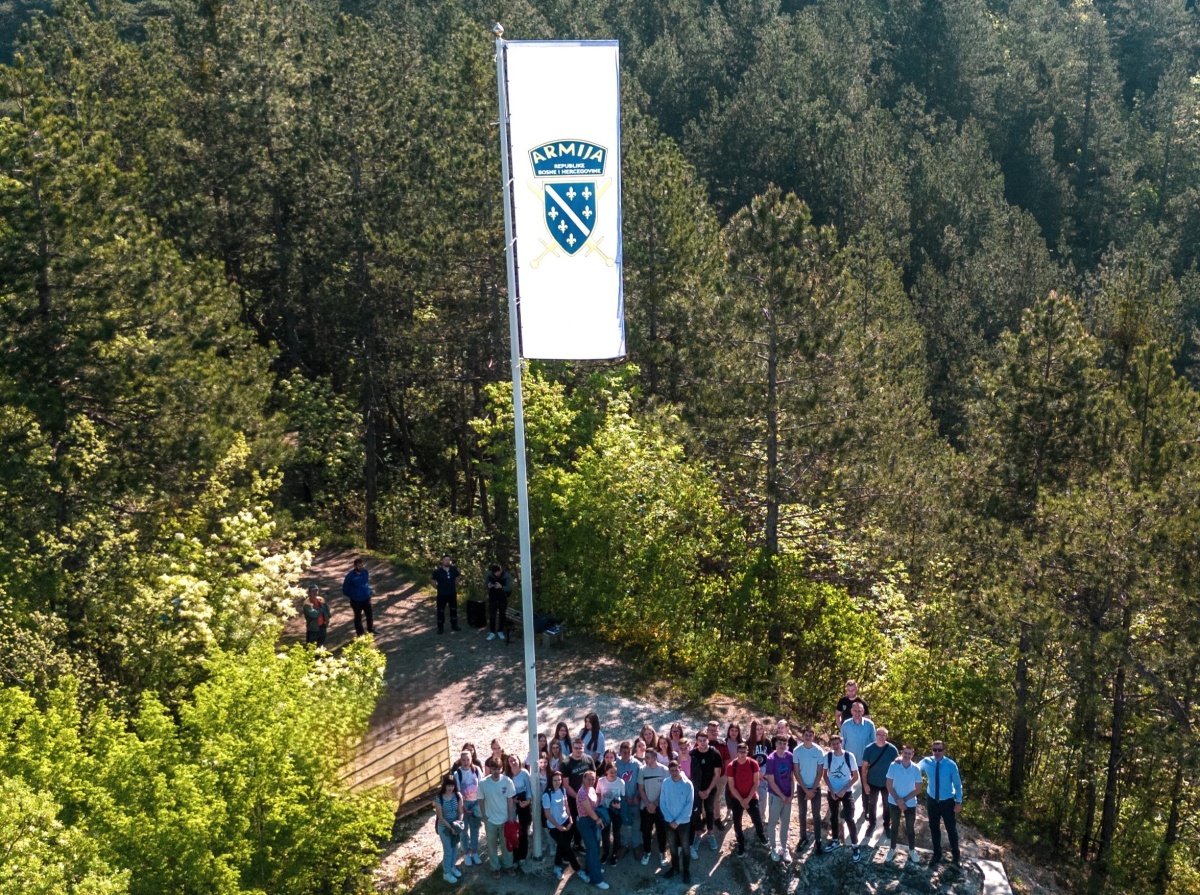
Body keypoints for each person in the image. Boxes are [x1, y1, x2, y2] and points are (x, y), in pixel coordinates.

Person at [919, 741, 963, 864]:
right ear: (932, 750)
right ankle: (937, 853)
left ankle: (956, 855)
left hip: (947, 801)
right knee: (933, 827)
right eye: (934, 750)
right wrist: (900, 761)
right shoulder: (926, 762)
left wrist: (958, 801)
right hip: (932, 799)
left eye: (939, 750)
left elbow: (957, 784)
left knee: (951, 828)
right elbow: (913, 768)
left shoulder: (950, 765)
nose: (937, 752)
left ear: (944, 751)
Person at [822, 734, 861, 862]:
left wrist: (844, 789)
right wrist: (832, 790)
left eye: (837, 743)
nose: (835, 746)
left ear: (841, 743)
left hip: (846, 791)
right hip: (832, 791)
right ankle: (835, 840)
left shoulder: (849, 756)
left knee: (849, 817)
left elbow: (855, 776)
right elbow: (825, 775)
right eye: (833, 744)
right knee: (834, 816)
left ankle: (855, 845)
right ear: (830, 745)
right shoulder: (828, 757)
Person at [726, 741, 766, 856]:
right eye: (740, 752)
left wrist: (747, 799)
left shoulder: (753, 764)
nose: (742, 754)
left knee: (757, 820)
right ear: (737, 752)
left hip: (751, 797)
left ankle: (761, 835)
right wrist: (741, 800)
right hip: (736, 798)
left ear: (747, 752)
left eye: (744, 752)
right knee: (737, 822)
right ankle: (741, 843)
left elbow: (756, 783)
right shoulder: (731, 766)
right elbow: (731, 786)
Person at [885, 744, 924, 864]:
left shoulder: (916, 769)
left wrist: (904, 800)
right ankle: (892, 849)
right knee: (894, 826)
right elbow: (889, 784)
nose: (907, 755)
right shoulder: (894, 766)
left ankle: (912, 850)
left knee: (910, 828)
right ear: (902, 753)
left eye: (910, 753)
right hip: (893, 801)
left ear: (913, 754)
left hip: (910, 803)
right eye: (905, 753)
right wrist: (898, 799)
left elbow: (918, 789)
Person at [478, 758, 516, 877]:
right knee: (492, 845)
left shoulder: (507, 781)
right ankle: (495, 867)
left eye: (498, 769)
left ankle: (508, 865)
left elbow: (510, 800)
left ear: (502, 769)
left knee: (507, 845)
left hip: (505, 819)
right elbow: (481, 800)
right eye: (493, 769)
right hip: (490, 820)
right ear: (490, 769)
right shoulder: (483, 783)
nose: (496, 771)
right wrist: (484, 816)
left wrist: (511, 817)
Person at [688, 730, 724, 857]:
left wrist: (708, 790)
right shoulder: (692, 754)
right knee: (696, 812)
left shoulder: (714, 753)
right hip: (696, 789)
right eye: (700, 741)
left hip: (710, 788)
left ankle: (710, 834)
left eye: (704, 740)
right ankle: (698, 834)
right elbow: (689, 774)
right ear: (696, 742)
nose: (702, 743)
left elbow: (717, 774)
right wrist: (697, 791)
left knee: (709, 810)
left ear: (708, 740)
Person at [544, 771, 584, 881]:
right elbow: (547, 814)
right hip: (554, 827)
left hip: (566, 821)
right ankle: (579, 870)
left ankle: (557, 866)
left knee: (562, 846)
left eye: (559, 780)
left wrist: (570, 819)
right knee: (567, 848)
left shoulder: (563, 790)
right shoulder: (546, 795)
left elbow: (566, 806)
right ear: (551, 781)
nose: (558, 782)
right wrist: (557, 826)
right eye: (555, 780)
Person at [660, 759, 695, 884]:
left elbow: (689, 805)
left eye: (676, 770)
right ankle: (675, 868)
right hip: (669, 822)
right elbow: (662, 802)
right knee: (673, 847)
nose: (674, 772)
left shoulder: (687, 784)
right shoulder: (665, 783)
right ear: (669, 771)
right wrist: (669, 819)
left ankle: (686, 871)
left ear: (680, 768)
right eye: (672, 770)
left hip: (683, 822)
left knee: (685, 847)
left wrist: (678, 821)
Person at [575, 770, 611, 889]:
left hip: (592, 821)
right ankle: (597, 879)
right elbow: (589, 810)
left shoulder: (590, 789)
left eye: (593, 779)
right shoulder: (582, 793)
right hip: (586, 822)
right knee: (593, 848)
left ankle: (591, 869)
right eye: (589, 779)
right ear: (583, 779)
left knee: (594, 846)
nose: (591, 781)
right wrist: (598, 820)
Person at [861, 726, 898, 839]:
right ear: (875, 735)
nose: (881, 737)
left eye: (884, 735)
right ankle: (872, 825)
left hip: (887, 783)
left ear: (887, 736)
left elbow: (897, 767)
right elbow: (864, 768)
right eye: (879, 734)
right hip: (872, 782)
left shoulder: (892, 749)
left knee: (887, 805)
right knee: (872, 804)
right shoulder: (869, 749)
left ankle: (887, 825)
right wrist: (865, 784)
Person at [793, 725, 825, 854]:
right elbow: (796, 772)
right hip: (802, 787)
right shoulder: (797, 751)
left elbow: (820, 772)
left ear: (813, 737)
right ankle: (803, 837)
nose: (808, 737)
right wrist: (806, 791)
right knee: (802, 813)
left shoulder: (818, 751)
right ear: (802, 736)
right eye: (806, 735)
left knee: (816, 814)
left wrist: (812, 790)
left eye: (810, 735)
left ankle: (818, 839)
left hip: (815, 787)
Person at [764, 734, 795, 863]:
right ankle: (774, 848)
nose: (782, 746)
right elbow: (771, 781)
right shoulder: (771, 759)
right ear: (775, 744)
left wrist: (792, 794)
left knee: (785, 823)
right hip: (776, 796)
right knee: (772, 823)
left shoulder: (790, 757)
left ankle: (783, 847)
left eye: (784, 743)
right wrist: (782, 796)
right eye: (780, 743)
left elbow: (792, 776)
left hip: (787, 796)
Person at [562, 738, 597, 849]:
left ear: (584, 747)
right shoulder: (566, 763)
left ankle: (585, 842)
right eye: (576, 748)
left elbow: (594, 777)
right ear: (572, 748)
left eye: (580, 748)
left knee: (589, 819)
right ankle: (576, 843)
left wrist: (591, 794)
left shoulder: (588, 759)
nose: (578, 750)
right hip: (574, 798)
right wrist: (580, 798)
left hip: (589, 796)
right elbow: (566, 785)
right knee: (575, 821)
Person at [637, 746, 669, 866]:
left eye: (648, 758)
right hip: (646, 807)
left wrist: (655, 804)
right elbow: (640, 789)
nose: (645, 760)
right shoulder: (642, 770)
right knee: (646, 831)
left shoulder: (664, 770)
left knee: (661, 831)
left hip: (660, 807)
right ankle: (647, 852)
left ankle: (662, 852)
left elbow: (665, 790)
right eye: (645, 757)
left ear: (655, 758)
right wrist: (648, 804)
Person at [433, 774, 466, 884]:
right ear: (444, 786)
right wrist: (450, 827)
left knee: (455, 848)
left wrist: (458, 824)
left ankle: (452, 867)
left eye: (452, 785)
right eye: (448, 785)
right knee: (448, 850)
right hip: (444, 828)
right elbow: (440, 817)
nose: (450, 788)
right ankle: (446, 873)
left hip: (455, 827)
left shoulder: (458, 796)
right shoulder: (439, 799)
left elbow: (461, 812)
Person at [453, 748, 483, 866]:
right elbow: (458, 792)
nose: (466, 762)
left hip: (475, 803)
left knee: (475, 829)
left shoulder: (477, 770)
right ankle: (466, 853)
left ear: (471, 759)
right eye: (463, 760)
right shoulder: (457, 774)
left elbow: (481, 786)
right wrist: (464, 809)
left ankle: (475, 851)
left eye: (468, 760)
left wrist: (480, 804)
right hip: (463, 804)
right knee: (464, 830)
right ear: (460, 760)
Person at [614, 741, 644, 859]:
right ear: (620, 752)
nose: (626, 754)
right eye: (624, 752)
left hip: (635, 798)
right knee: (624, 823)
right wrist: (624, 797)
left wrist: (637, 796)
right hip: (623, 800)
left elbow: (640, 781)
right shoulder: (616, 764)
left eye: (628, 752)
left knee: (636, 822)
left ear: (631, 752)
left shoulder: (637, 764)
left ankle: (637, 845)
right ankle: (624, 845)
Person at [506, 754, 533, 869]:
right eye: (510, 760)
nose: (513, 762)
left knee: (523, 830)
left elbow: (529, 788)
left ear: (518, 760)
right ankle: (513, 856)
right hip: (512, 803)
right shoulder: (506, 776)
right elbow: (505, 792)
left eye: (514, 760)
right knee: (512, 832)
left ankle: (522, 856)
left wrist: (527, 801)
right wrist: (512, 800)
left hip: (523, 802)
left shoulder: (524, 773)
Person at [597, 761, 625, 865]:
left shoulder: (621, 782)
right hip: (604, 810)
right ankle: (606, 852)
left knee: (617, 833)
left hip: (616, 810)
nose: (613, 774)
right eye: (611, 772)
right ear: (606, 772)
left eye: (615, 772)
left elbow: (623, 796)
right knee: (605, 833)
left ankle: (615, 854)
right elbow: (598, 794)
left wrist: (619, 805)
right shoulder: (601, 781)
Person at [342, 557, 374, 636]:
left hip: (366, 598)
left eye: (361, 566)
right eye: (359, 566)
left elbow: (366, 583)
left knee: (369, 615)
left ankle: (371, 630)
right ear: (355, 566)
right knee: (358, 617)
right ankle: (360, 634)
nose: (361, 567)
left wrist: (368, 592)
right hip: (356, 601)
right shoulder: (350, 576)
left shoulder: (365, 572)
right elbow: (345, 589)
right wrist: (352, 595)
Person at [431, 554, 461, 635]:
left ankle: (454, 625)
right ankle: (440, 628)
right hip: (442, 595)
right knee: (440, 611)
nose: (447, 561)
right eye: (445, 560)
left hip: (452, 593)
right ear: (442, 561)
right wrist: (439, 588)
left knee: (453, 609)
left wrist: (454, 584)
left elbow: (458, 577)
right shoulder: (437, 572)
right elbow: (433, 582)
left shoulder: (453, 569)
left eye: (448, 560)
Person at [484, 564, 512, 641]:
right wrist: (488, 585)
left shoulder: (507, 576)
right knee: (492, 615)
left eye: (497, 572)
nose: (496, 574)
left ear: (500, 571)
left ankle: (500, 631)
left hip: (502, 598)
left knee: (502, 615)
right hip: (492, 598)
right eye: (494, 573)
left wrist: (501, 587)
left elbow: (509, 588)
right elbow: (485, 585)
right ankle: (492, 632)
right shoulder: (489, 575)